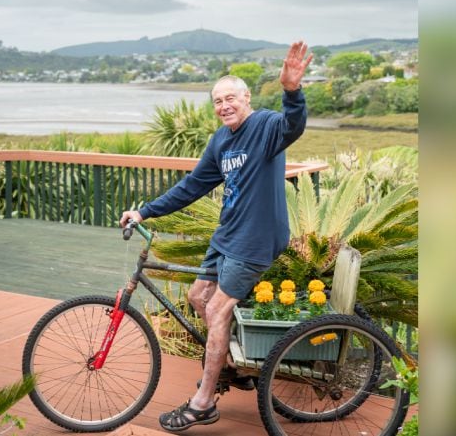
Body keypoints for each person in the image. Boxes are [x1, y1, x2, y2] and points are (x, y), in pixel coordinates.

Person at [119, 40, 313, 432]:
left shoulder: (265, 127)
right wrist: (145, 210)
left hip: (256, 239)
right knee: (197, 296)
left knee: (217, 309)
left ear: (246, 98)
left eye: (230, 98)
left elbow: (294, 124)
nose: (224, 106)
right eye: (217, 101)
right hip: (226, 236)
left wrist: (292, 90)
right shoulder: (220, 141)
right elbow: (191, 186)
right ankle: (229, 366)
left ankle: (204, 401)